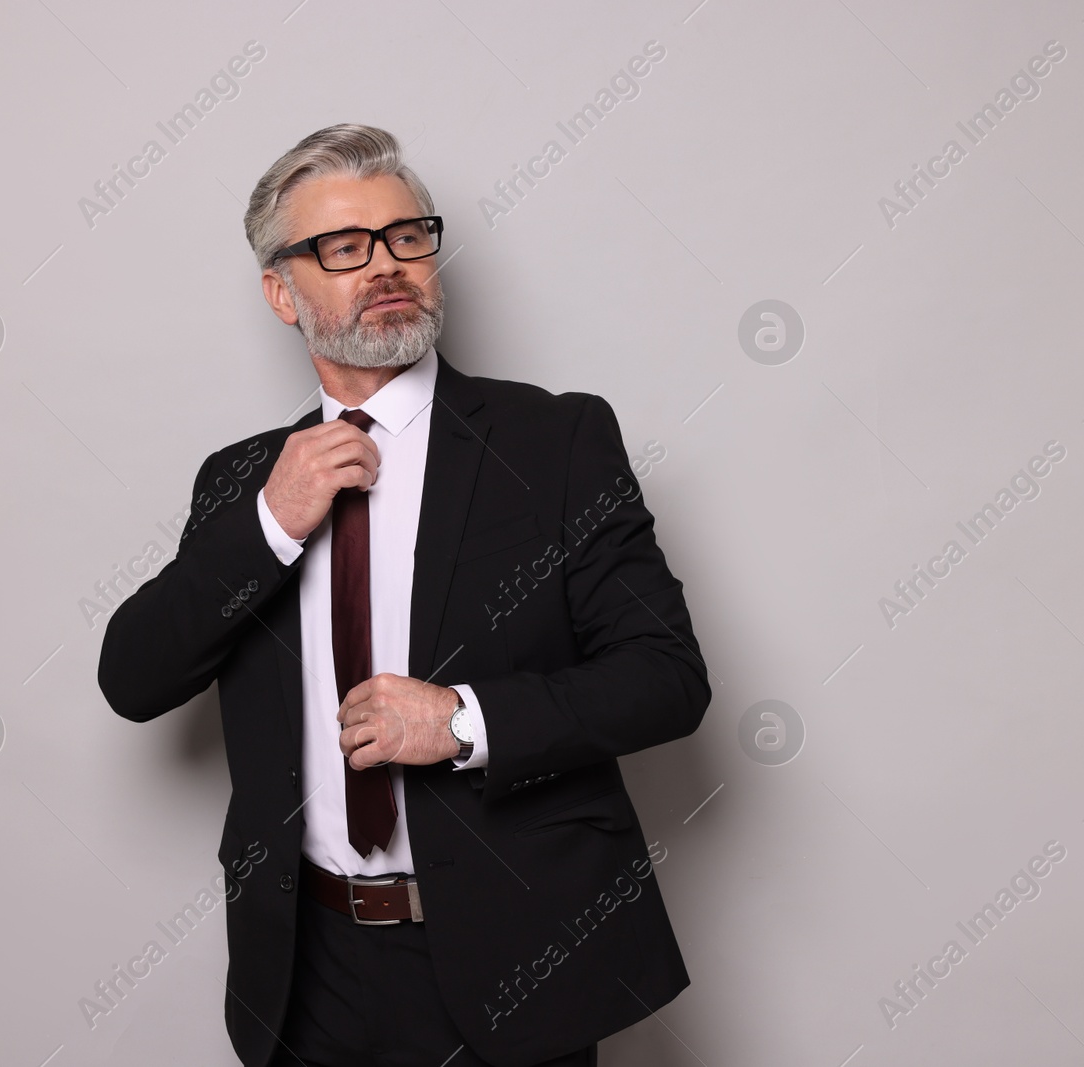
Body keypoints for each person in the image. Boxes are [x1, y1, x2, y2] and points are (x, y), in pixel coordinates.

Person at [97, 123, 710, 1067]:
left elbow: (667, 676)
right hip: (308, 974)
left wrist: (463, 722)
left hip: (517, 957)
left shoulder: (556, 441)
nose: (385, 265)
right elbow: (133, 677)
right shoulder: (241, 482)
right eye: (343, 247)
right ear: (281, 292)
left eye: (406, 236)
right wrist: (271, 521)